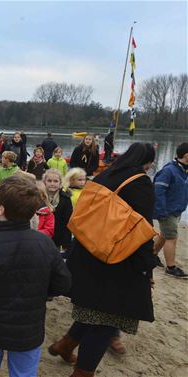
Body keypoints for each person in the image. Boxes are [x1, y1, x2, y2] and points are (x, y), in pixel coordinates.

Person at [49, 143, 157, 377]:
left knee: (93, 310)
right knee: (107, 321)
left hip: (87, 251)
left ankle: (65, 345)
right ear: (147, 163)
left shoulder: (105, 174)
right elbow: (143, 229)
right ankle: (83, 373)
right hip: (116, 260)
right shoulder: (140, 183)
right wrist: (146, 270)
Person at [0, 175, 71, 377]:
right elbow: (63, 283)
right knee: (24, 373)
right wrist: (41, 290)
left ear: (1, 209)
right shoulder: (45, 244)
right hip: (28, 329)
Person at [153, 142, 188, 278]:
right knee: (171, 238)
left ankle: (152, 255)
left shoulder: (184, 170)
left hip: (177, 209)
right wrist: (161, 211)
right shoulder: (169, 171)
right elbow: (158, 191)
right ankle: (171, 268)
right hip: (167, 211)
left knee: (164, 234)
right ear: (186, 155)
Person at [43, 168, 73, 253]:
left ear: (60, 183)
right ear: (44, 182)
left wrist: (66, 243)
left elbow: (68, 221)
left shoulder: (65, 199)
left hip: (58, 238)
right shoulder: (39, 197)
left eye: (55, 181)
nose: (52, 184)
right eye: (49, 181)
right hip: (41, 237)